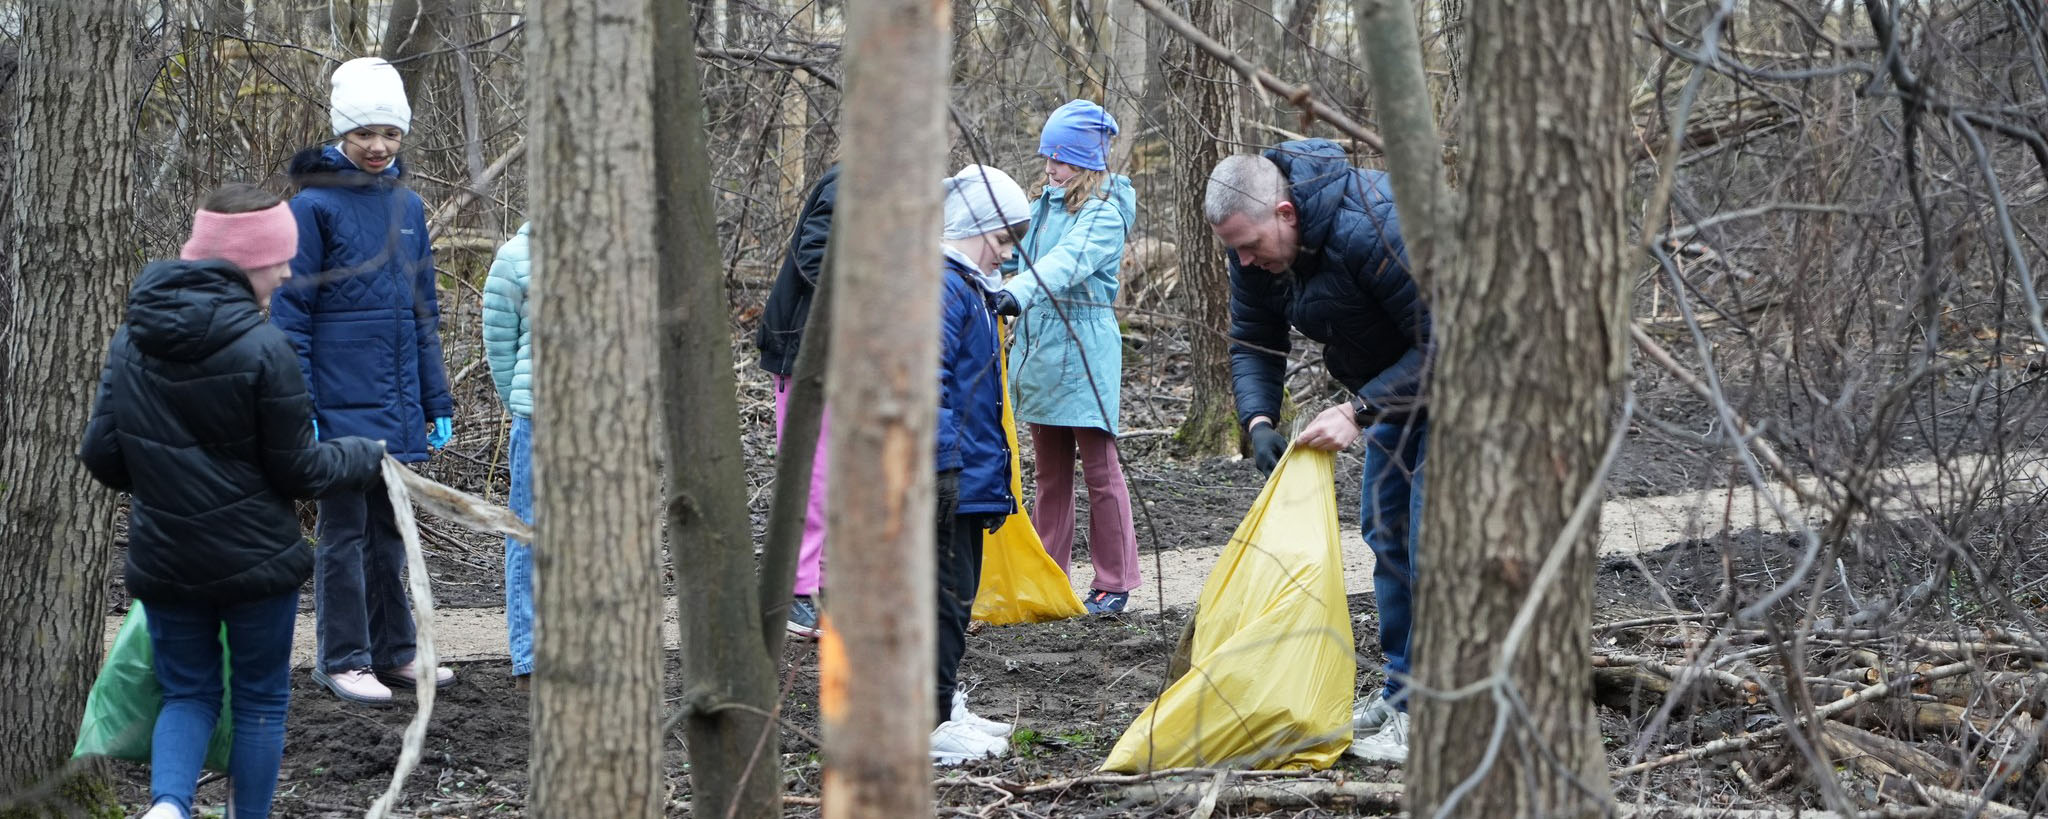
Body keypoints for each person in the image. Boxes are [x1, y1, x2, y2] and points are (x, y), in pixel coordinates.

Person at [79, 183, 387, 819]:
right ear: (249, 260)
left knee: (187, 694)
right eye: (279, 259)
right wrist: (363, 455)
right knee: (259, 702)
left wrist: (170, 480)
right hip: (256, 564)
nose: (285, 271)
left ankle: (168, 808)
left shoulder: (133, 338)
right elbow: (299, 470)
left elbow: (102, 455)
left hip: (165, 559)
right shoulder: (266, 348)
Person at [1204, 139, 1431, 764]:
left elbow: (1456, 338)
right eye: (1233, 250)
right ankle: (1404, 694)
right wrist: (1257, 420)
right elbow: (1253, 336)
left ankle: (1437, 709)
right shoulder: (1254, 254)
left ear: (1285, 212)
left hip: (1473, 386)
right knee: (1386, 535)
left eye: (1250, 245)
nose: (1245, 262)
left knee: (1432, 542)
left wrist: (1358, 411)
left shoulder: (1379, 222)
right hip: (1398, 391)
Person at [271, 56, 456, 704]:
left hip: (398, 406)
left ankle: (396, 652)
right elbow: (289, 315)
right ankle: (342, 656)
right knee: (343, 534)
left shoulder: (409, 206)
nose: (378, 146)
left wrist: (436, 396)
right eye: (364, 133)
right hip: (337, 411)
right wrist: (303, 405)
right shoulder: (312, 209)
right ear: (340, 133)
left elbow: (422, 310)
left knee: (391, 533)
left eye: (391, 133)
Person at [992, 99, 1142, 615]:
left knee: (1100, 470)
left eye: (1059, 159)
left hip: (1084, 350)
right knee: (1049, 474)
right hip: (1040, 348)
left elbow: (1065, 263)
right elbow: (1010, 252)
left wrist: (1017, 292)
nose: (1049, 168)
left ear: (1085, 160)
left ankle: (1114, 580)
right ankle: (1047, 574)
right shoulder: (1043, 207)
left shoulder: (1106, 212)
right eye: (1047, 158)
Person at [930, 164, 1030, 765]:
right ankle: (929, 721)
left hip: (967, 478)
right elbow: (926, 378)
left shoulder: (968, 286)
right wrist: (941, 468)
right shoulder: (941, 285)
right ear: (972, 226)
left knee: (957, 595)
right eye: (1000, 240)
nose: (1005, 256)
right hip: (945, 477)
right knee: (943, 597)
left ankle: (941, 704)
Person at [754, 164, 839, 638]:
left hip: (841, 354)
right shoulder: (848, 184)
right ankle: (795, 591)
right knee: (812, 475)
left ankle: (821, 585)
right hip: (803, 353)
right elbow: (813, 257)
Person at [482, 222, 534, 688]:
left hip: (605, 422)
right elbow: (500, 347)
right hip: (539, 420)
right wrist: (523, 398)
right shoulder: (516, 257)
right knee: (529, 532)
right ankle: (531, 658)